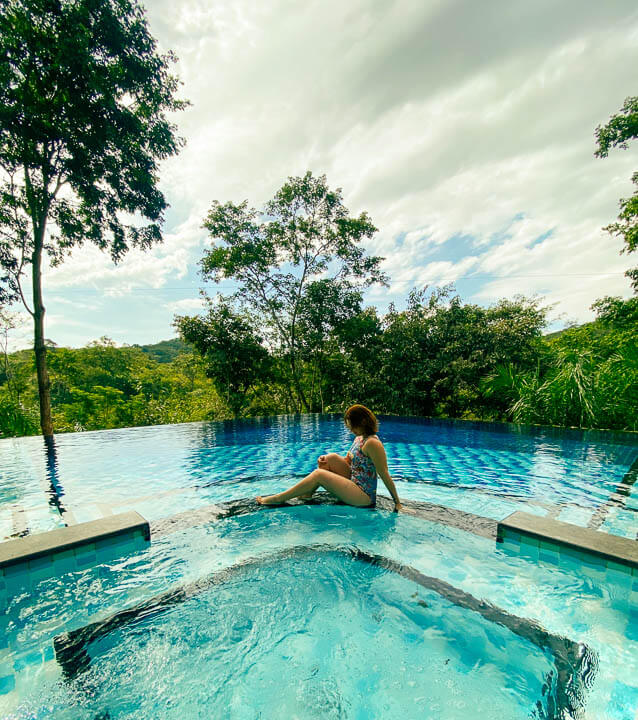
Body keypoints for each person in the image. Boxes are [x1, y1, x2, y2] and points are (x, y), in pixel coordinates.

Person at [256, 404, 403, 511]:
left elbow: (384, 474)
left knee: (319, 475)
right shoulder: (359, 438)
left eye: (352, 426)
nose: (350, 430)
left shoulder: (372, 443)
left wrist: (397, 503)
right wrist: (326, 462)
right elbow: (349, 462)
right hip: (354, 481)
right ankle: (307, 493)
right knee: (331, 457)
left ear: (363, 423)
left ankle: (277, 499)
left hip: (363, 496)